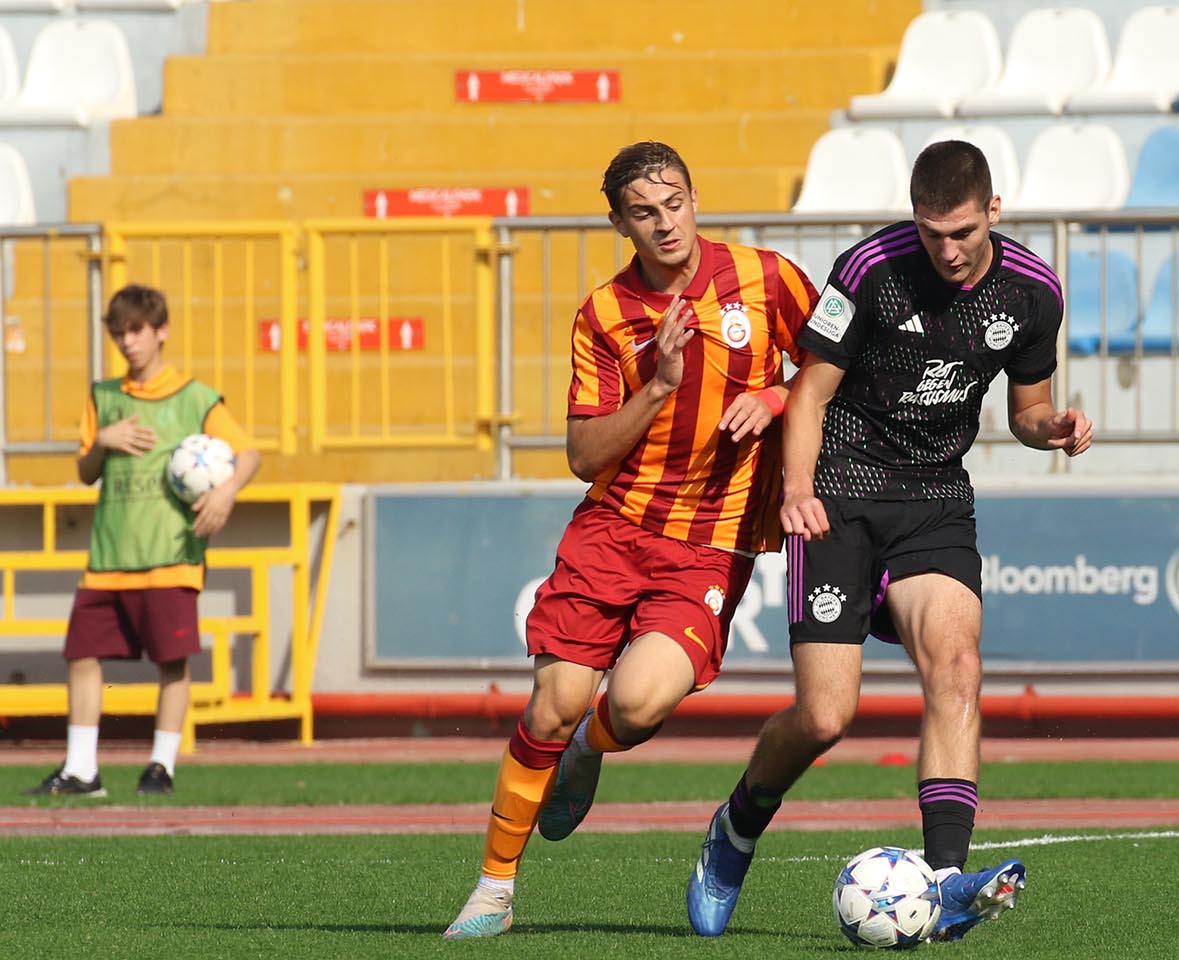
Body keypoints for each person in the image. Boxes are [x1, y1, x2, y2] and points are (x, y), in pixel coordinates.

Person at [686, 140, 1094, 941]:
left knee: (958, 664)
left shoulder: (1033, 291)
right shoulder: (869, 267)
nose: (946, 249)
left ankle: (943, 883)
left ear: (995, 213)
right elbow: (807, 395)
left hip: (936, 496)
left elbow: (1023, 410)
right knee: (826, 715)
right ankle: (737, 825)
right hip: (839, 489)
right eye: (932, 231)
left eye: (964, 232)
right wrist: (797, 490)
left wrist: (1055, 427)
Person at [443, 141, 818, 940]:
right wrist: (659, 385)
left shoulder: (767, 278)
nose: (665, 223)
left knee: (638, 707)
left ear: (694, 197)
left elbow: (832, 366)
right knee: (552, 705)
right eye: (644, 213)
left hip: (712, 543)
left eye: (674, 202)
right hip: (614, 529)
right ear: (619, 222)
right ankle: (493, 891)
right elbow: (583, 455)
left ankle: (589, 749)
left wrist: (778, 397)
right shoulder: (605, 315)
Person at [25, 284, 261, 799]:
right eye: (118, 333)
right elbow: (86, 471)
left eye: (136, 331)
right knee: (82, 655)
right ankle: (82, 769)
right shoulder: (103, 396)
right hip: (109, 554)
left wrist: (227, 492)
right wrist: (102, 444)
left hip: (171, 553)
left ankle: (161, 765)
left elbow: (247, 452)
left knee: (171, 662)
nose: (127, 342)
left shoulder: (195, 397)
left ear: (161, 332)